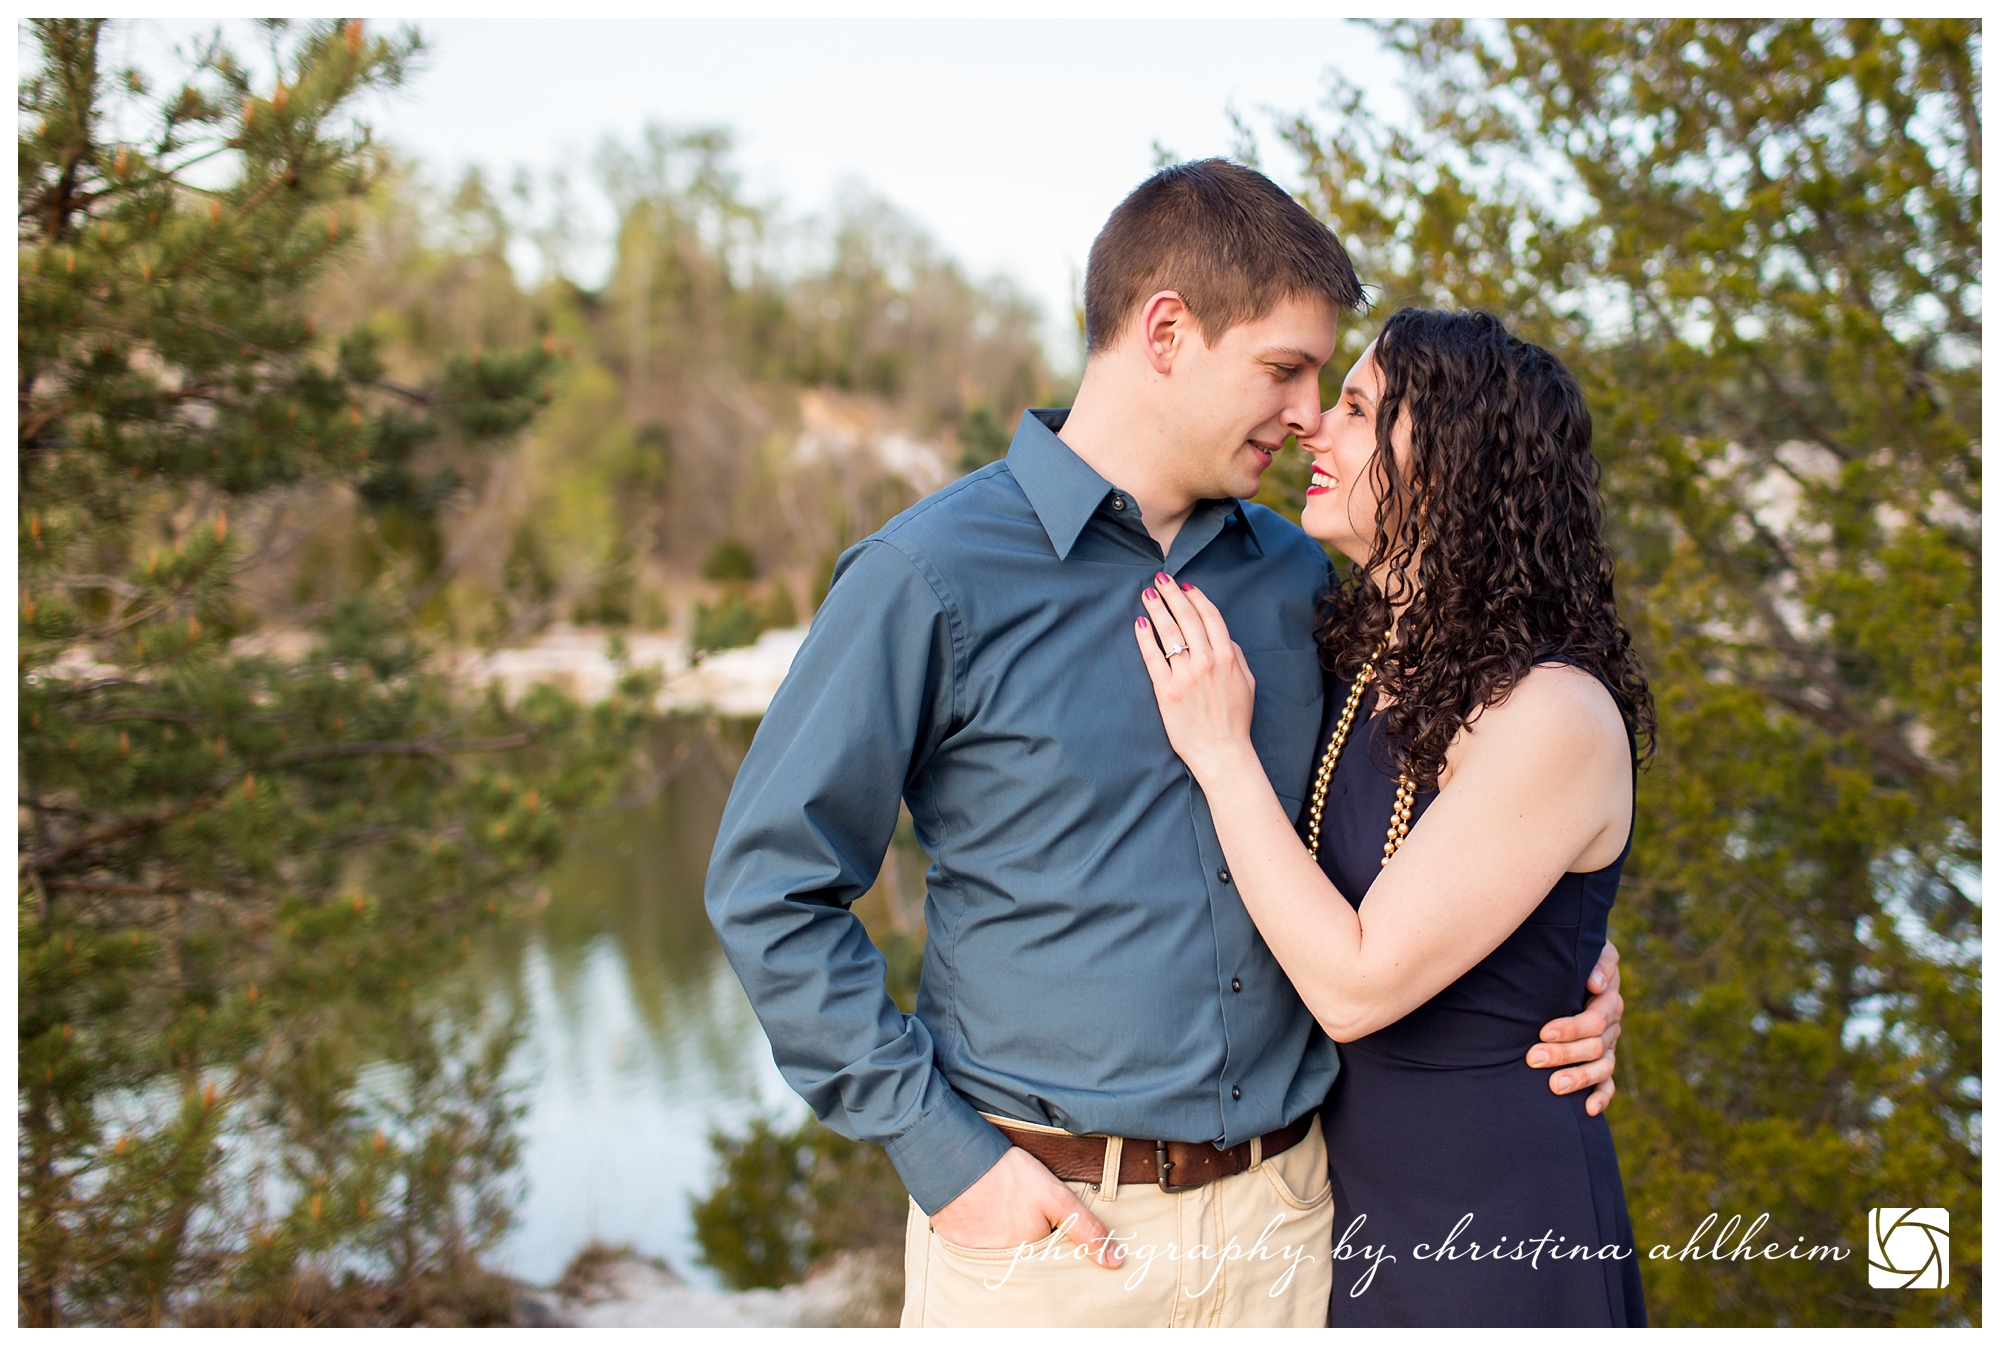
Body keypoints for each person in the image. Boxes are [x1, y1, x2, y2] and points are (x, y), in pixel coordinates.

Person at [705, 162, 1626, 1329]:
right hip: (1050, 1238)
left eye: (1325, 384)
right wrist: (939, 1151)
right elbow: (770, 889)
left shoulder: (1303, 579)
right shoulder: (927, 579)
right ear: (1165, 330)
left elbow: (1457, 799)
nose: (1304, 416)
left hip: (1303, 1227)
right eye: (1284, 369)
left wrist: (1566, 960)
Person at [1132, 306, 1652, 1325]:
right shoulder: (1357, 654)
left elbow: (1355, 983)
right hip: (1334, 1209)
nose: (1314, 426)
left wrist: (1220, 751)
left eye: (1359, 406)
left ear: (1455, 458)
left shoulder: (1552, 709)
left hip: (1495, 1223)